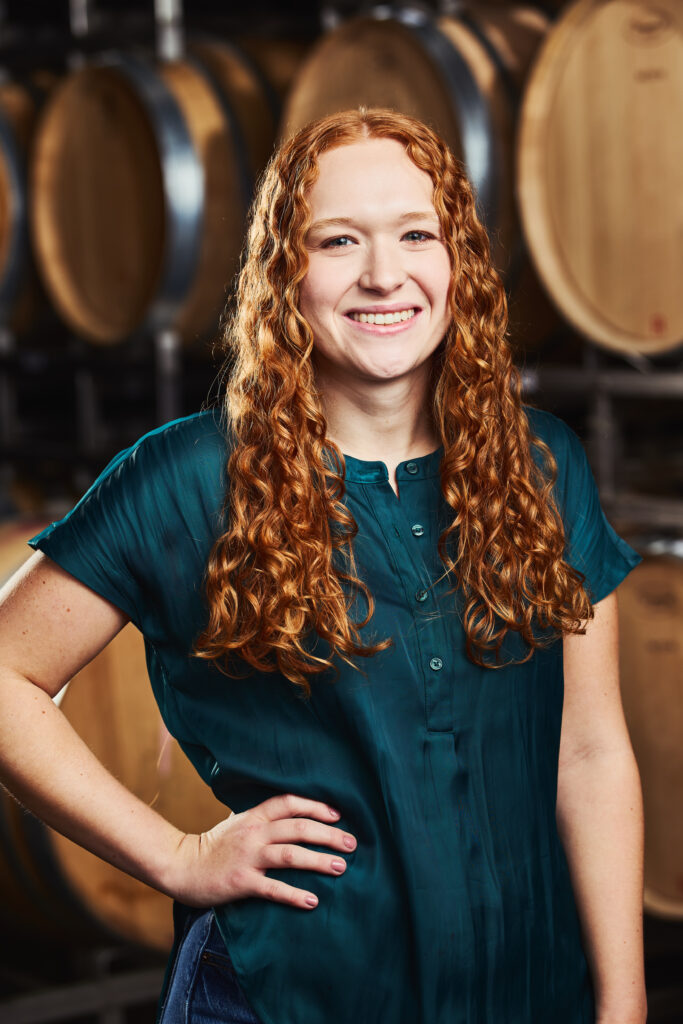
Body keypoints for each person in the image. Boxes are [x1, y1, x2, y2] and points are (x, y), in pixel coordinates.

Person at [0, 107, 646, 1024]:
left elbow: (588, 753)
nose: (384, 274)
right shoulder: (187, 477)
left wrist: (622, 1004)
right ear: (285, 274)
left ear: (456, 260)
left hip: (526, 993)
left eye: (415, 234)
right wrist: (177, 857)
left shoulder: (543, 464)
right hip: (284, 994)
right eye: (338, 240)